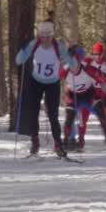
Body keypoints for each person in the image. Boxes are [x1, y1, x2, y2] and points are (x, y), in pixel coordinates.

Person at [15, 16, 75, 157]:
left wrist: (71, 56)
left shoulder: (58, 46)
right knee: (33, 113)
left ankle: (58, 145)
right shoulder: (34, 44)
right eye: (43, 37)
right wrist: (23, 49)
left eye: (48, 37)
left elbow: (72, 65)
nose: (46, 40)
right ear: (39, 36)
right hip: (35, 82)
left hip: (52, 83)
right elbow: (19, 61)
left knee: (53, 115)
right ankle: (35, 141)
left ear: (52, 35)